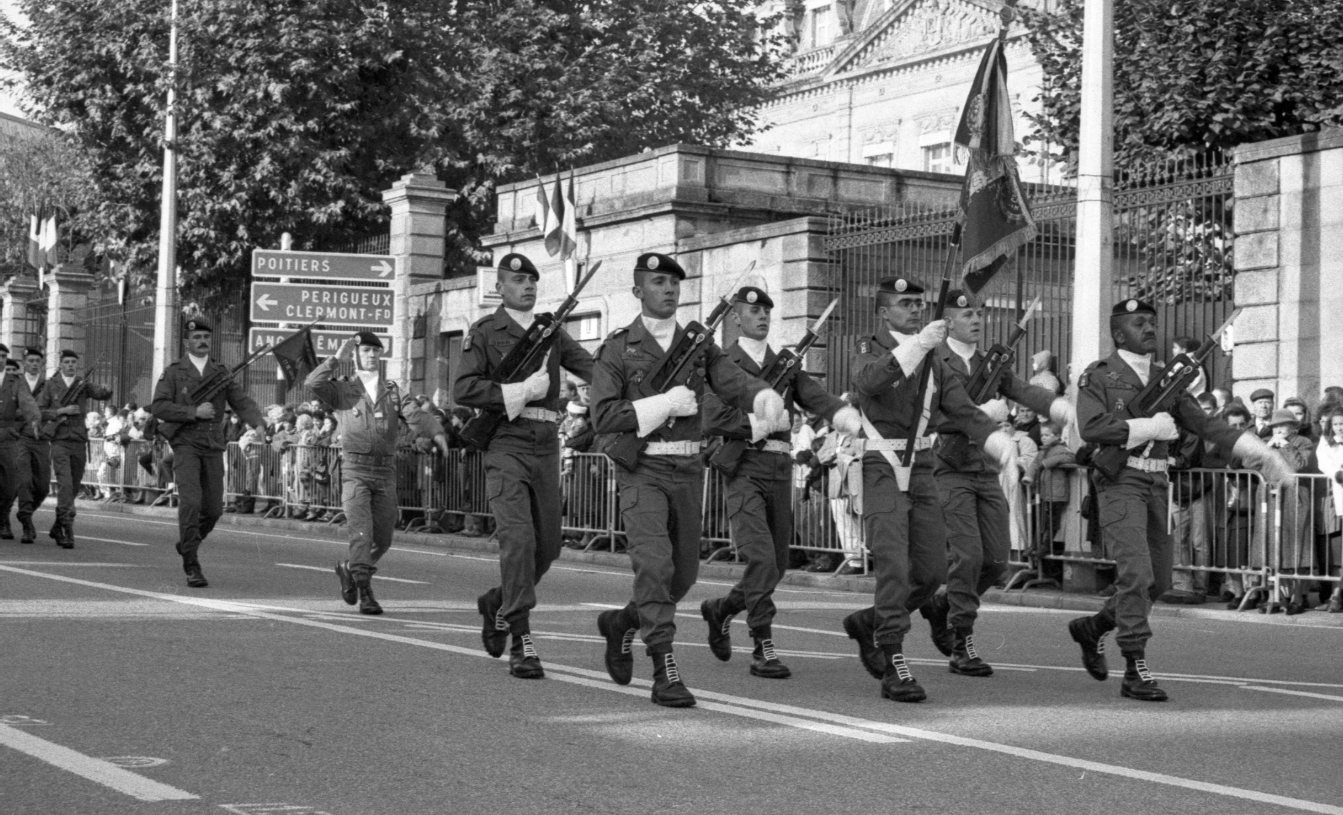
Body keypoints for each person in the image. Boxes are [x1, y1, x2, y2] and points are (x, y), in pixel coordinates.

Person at [1066, 299, 1290, 702]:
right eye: (1139, 323)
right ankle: (1134, 665)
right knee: (1136, 575)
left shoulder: (1165, 379)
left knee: (1160, 580)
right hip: (1120, 482)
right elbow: (1092, 427)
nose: (1149, 329)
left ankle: (1094, 627)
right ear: (1118, 334)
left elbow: (1207, 425)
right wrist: (1147, 427)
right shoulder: (1098, 375)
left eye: (1151, 322)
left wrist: (1259, 453)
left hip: (1157, 483)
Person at [591, 252, 783, 707]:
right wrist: (661, 405)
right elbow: (604, 415)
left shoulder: (698, 345)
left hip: (688, 470)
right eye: (658, 282)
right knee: (655, 568)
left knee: (683, 575)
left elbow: (732, 380)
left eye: (674, 283)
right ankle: (664, 669)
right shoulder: (618, 348)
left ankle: (623, 622)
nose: (669, 289)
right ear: (638, 291)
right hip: (643, 470)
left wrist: (763, 396)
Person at [839, 278, 1015, 703]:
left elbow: (961, 408)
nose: (916, 309)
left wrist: (994, 441)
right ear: (884, 312)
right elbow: (869, 382)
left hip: (921, 465)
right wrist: (917, 345)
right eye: (905, 303)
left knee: (932, 571)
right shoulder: (870, 348)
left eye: (919, 303)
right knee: (894, 567)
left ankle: (870, 621)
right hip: (882, 464)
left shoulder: (935, 358)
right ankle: (893, 658)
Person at [699, 286, 860, 679]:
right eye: (753, 311)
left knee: (776, 564)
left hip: (779, 468)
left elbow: (817, 398)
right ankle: (762, 644)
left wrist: (850, 419)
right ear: (735, 317)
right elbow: (712, 416)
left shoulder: (785, 364)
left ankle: (722, 609)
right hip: (744, 466)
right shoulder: (722, 362)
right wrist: (760, 422)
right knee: (761, 558)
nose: (762, 317)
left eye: (766, 311)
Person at [453, 252, 594, 679]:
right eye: (518, 280)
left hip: (545, 443)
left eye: (532, 279)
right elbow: (464, 388)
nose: (528, 286)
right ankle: (521, 637)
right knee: (517, 540)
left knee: (548, 547)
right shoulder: (485, 331)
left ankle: (498, 601)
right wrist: (517, 391)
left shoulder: (551, 331)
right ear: (500, 288)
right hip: (506, 441)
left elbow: (593, 367)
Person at [922, 290, 1072, 676]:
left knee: (996, 560)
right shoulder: (934, 360)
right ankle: (962, 641)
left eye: (979, 313)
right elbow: (928, 417)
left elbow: (1023, 391)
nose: (976, 319)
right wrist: (979, 413)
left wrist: (1059, 407)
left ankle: (942, 605)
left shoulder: (990, 364)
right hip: (949, 468)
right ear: (947, 321)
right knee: (967, 556)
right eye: (967, 314)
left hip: (985, 469)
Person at [150, 317, 264, 587]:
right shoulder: (174, 372)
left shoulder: (220, 372)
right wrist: (193, 412)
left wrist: (258, 422)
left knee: (213, 509)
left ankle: (188, 543)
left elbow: (240, 401)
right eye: (197, 337)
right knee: (191, 503)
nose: (202, 341)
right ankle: (191, 563)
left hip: (212, 444)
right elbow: (159, 406)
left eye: (206, 337)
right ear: (187, 342)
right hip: (186, 444)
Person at [306, 331, 402, 614]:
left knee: (383, 539)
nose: (371, 355)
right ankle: (365, 590)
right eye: (365, 351)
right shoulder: (343, 389)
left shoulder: (391, 389)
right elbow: (312, 383)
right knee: (361, 532)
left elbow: (412, 411)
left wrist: (434, 431)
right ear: (356, 356)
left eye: (375, 351)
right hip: (355, 470)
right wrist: (336, 359)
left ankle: (350, 567)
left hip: (385, 472)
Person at [1266, 408, 1317, 613]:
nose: (1278, 430)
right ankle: (1278, 596)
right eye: (1275, 426)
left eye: (1282, 425)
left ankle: (1298, 597)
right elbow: (1252, 464)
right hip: (1274, 499)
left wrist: (1286, 446)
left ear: (1293, 427)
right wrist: (1266, 448)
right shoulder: (1269, 442)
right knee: (1275, 549)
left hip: (1295, 498)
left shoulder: (1303, 442)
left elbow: (1299, 464)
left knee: (1298, 549)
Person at [7, 347, 51, 543]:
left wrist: (47, 422)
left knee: (42, 487)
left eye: (37, 361)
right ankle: (26, 521)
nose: (34, 364)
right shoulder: (15, 383)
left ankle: (25, 512)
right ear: (24, 363)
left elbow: (54, 410)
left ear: (42, 363)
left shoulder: (48, 385)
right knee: (24, 481)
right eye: (30, 360)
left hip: (41, 439)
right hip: (20, 438)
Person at [0, 344, 41, 542]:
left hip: (7, 438)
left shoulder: (15, 382)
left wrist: (35, 419)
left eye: (3, 356)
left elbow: (27, 402)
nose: (0, 359)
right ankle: (3, 523)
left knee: (10, 486)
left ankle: (2, 516)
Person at [1026, 420, 1075, 583]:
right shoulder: (1043, 451)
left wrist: (1047, 463)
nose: (1044, 438)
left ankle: (1045, 546)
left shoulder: (1060, 448)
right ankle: (1036, 545)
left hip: (1057, 493)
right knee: (1041, 520)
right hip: (1045, 493)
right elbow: (1034, 464)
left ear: (1057, 436)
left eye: (1047, 435)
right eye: (1042, 435)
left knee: (1052, 521)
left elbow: (1069, 456)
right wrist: (1028, 476)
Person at [1315, 408, 1343, 613]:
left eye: (1342, 423)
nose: (1339, 427)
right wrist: (1337, 473)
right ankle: (1335, 595)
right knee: (1335, 552)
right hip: (1336, 498)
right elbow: (1323, 463)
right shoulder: (1326, 442)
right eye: (1336, 424)